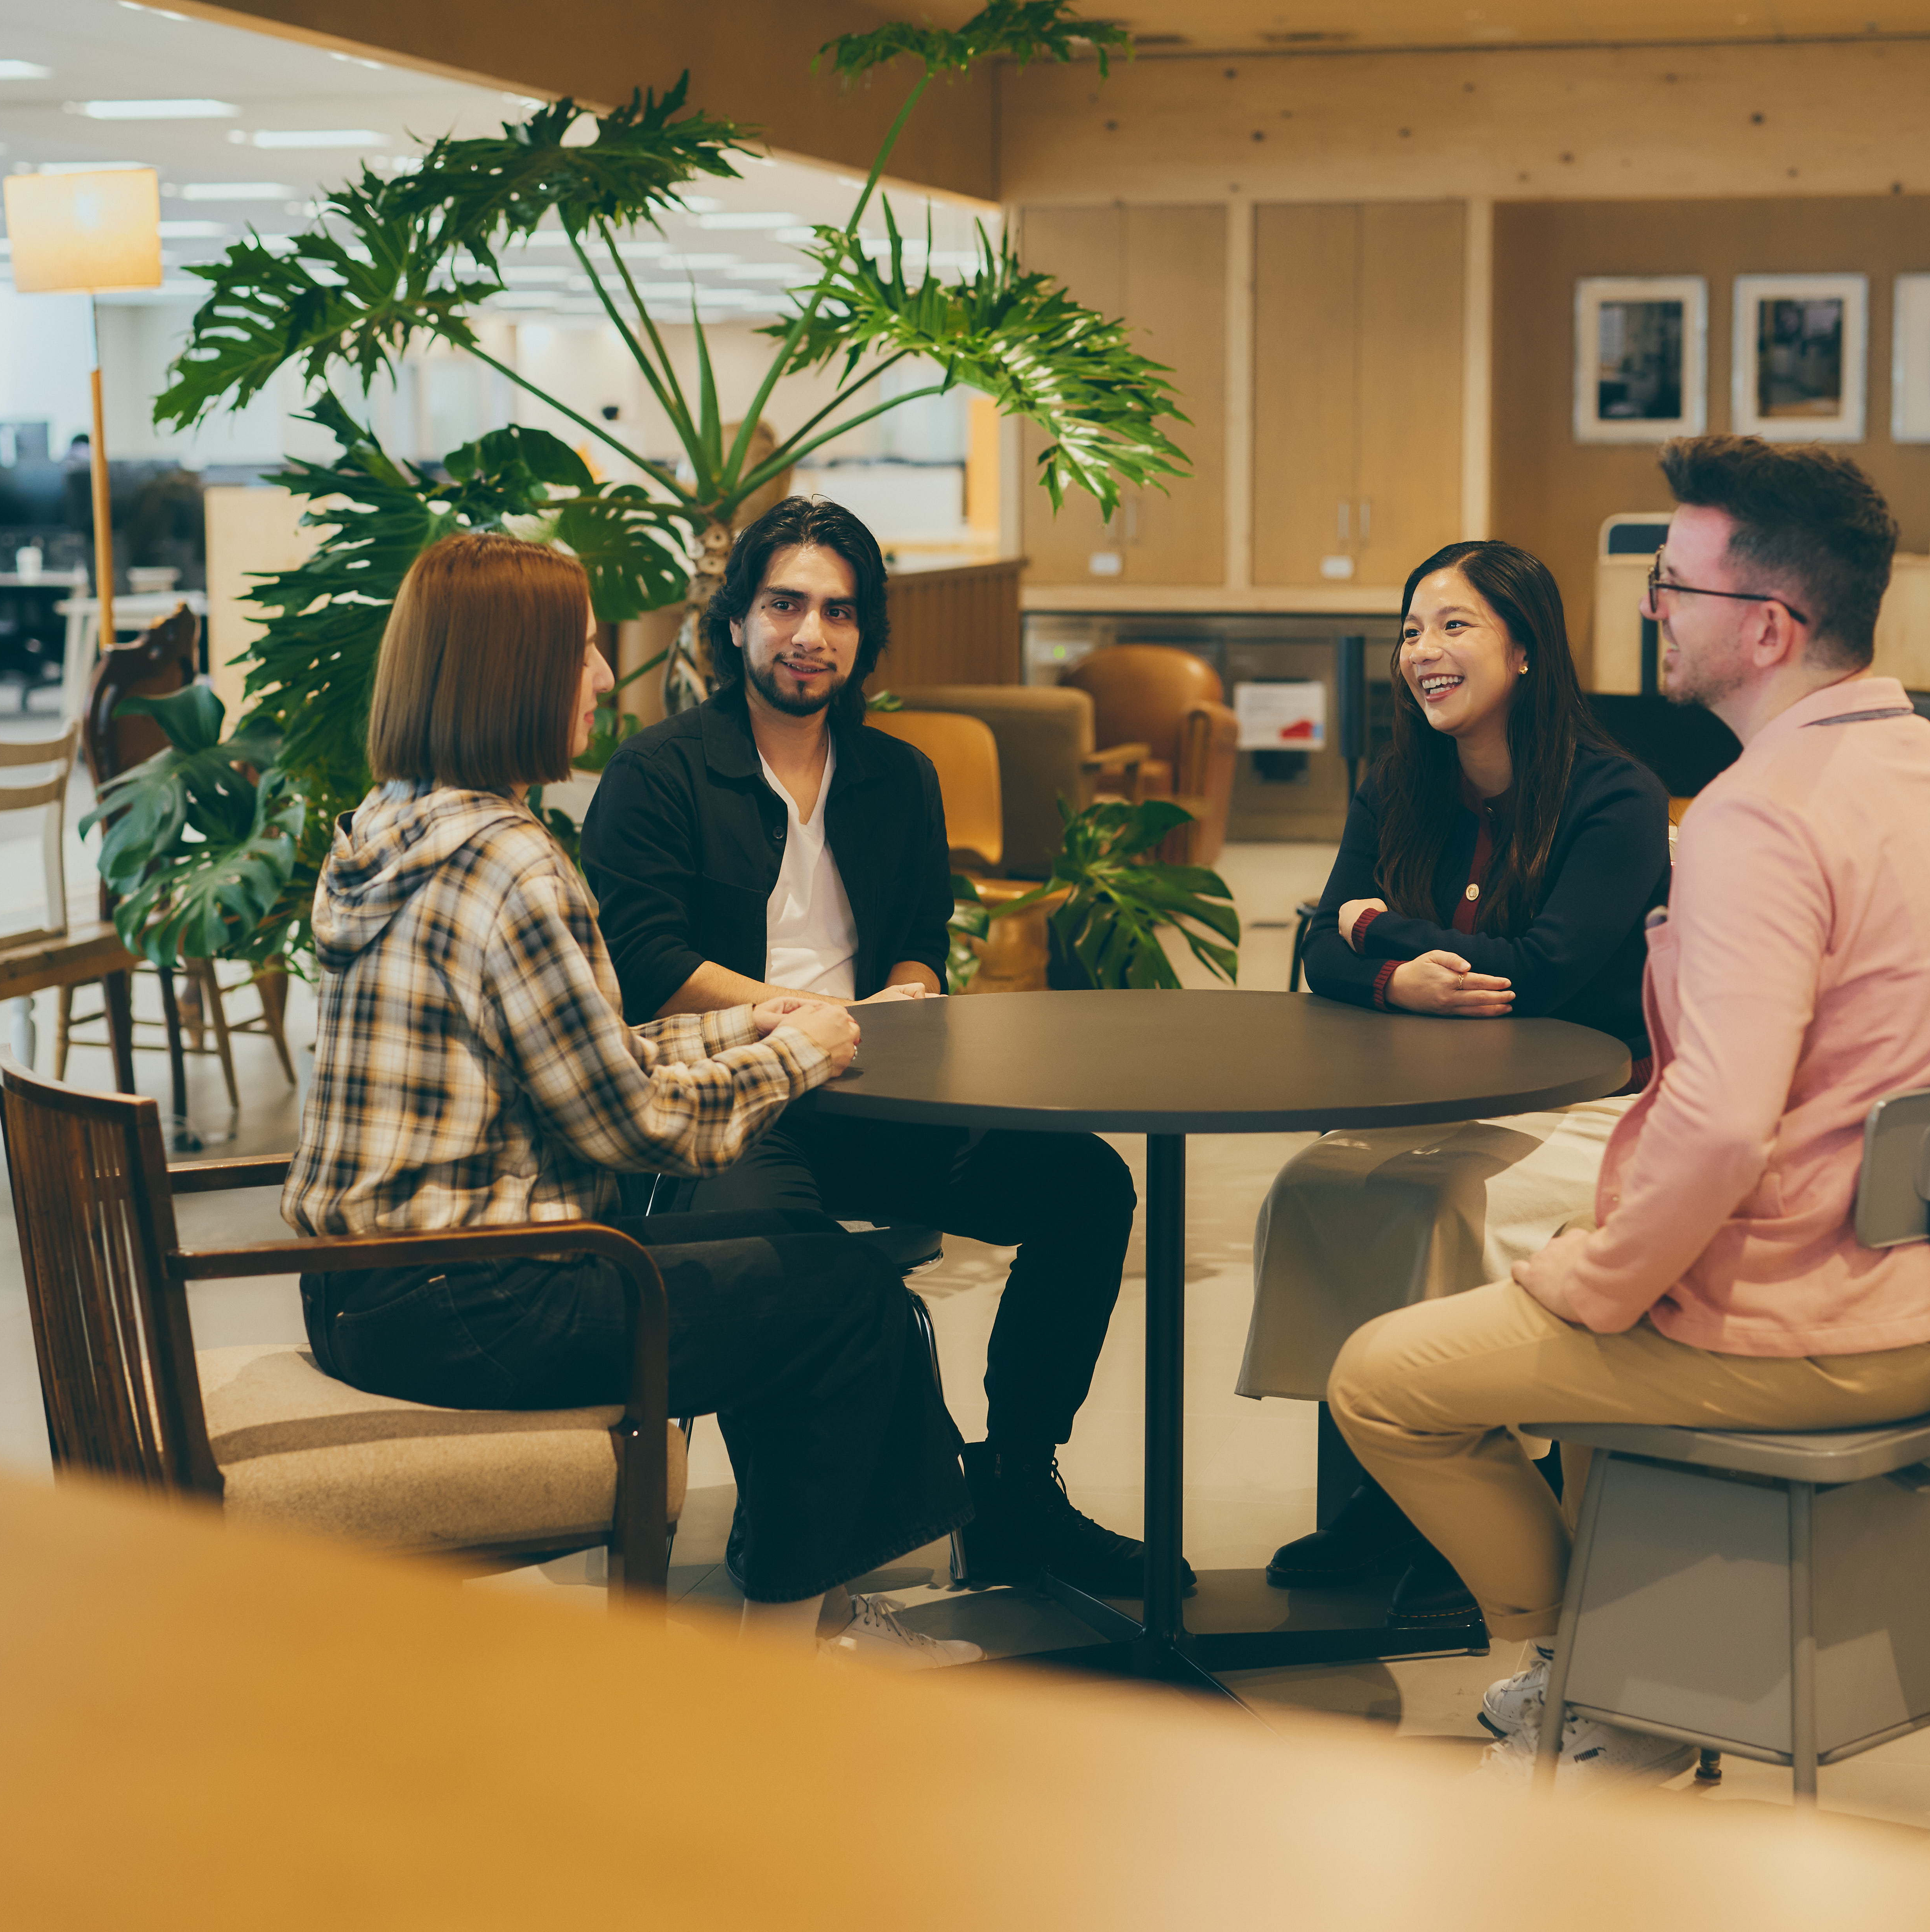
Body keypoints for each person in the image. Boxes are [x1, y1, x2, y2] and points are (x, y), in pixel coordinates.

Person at [1325, 436, 1930, 1788]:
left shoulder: (1754, 818)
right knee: (1557, 1304)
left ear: (1768, 626)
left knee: (1383, 1380)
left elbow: (1722, 1129)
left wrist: (1603, 1278)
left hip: (1811, 1329)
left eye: (1674, 584)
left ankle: (1599, 1682)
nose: (1651, 608)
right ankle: (1633, 1666)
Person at [285, 528, 975, 1667]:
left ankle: (825, 1618)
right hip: (481, 1307)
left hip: (364, 1292)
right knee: (845, 1300)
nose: (605, 677)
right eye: (583, 651)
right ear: (513, 673)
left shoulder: (392, 825)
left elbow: (583, 1055)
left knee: (804, 1266)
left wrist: (757, 1024)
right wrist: (801, 1056)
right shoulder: (511, 863)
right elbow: (637, 1127)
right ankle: (782, 1665)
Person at [582, 496, 1169, 1601]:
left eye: (839, 613)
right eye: (785, 606)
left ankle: (1016, 1486)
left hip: (876, 1095)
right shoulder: (658, 773)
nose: (811, 635)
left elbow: (917, 944)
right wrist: (800, 1019)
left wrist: (905, 994)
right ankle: (796, 1525)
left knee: (1086, 1186)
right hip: (727, 1110)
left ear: (864, 635)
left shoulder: (899, 775)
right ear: (736, 623)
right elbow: (646, 961)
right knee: (789, 1261)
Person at [1240, 540, 1671, 1611]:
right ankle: (1383, 1494)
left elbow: (1543, 970)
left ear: (1525, 649)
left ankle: (1477, 1497)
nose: (1423, 651)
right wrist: (1399, 983)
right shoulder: (1397, 784)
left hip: (1601, 1103)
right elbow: (1316, 953)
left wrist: (1376, 930)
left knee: (1438, 1206)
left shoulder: (1614, 795)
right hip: (1439, 1099)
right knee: (1315, 1189)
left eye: (1454, 626)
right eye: (1410, 632)